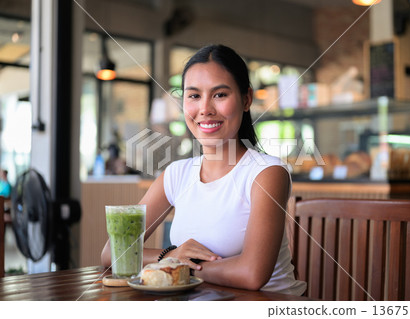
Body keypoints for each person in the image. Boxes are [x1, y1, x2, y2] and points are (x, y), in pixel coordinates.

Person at [101, 44, 306, 295]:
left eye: (219, 95)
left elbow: (251, 275)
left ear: (246, 99)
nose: (205, 109)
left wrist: (177, 266)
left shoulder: (267, 173)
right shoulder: (176, 174)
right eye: (194, 96)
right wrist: (170, 254)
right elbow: (113, 252)